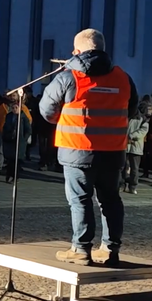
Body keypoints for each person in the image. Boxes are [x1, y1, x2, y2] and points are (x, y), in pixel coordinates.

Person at [40, 28, 137, 266]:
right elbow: (131, 110)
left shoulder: (68, 76)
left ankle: (81, 249)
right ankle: (110, 249)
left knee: (80, 200)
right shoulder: (123, 78)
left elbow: (47, 110)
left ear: (77, 50)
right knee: (111, 200)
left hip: (77, 150)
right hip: (113, 151)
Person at [121, 102, 150, 194]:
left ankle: (132, 186)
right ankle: (123, 184)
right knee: (124, 166)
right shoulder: (126, 117)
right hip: (125, 145)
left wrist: (131, 136)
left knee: (134, 168)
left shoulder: (143, 119)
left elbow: (143, 131)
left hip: (135, 146)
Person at [1, 100, 32, 184]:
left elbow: (28, 130)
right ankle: (8, 176)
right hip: (10, 141)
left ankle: (15, 177)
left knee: (17, 161)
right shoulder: (9, 116)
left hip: (19, 142)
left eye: (16, 108)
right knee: (10, 160)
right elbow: (5, 126)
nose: (14, 109)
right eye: (13, 108)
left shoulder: (23, 117)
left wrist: (23, 139)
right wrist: (5, 135)